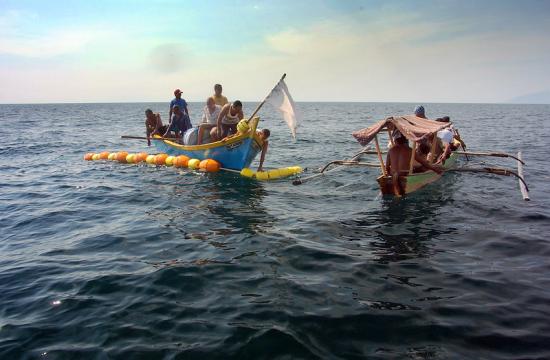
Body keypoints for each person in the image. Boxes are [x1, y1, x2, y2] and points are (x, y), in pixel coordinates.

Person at [386, 130, 442, 195]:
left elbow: (387, 167)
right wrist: (435, 170)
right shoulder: (410, 150)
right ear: (405, 140)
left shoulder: (391, 150)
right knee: (422, 168)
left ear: (395, 140)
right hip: (404, 173)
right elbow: (423, 163)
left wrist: (390, 174)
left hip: (393, 174)